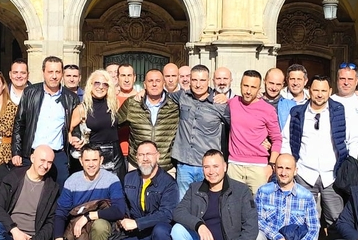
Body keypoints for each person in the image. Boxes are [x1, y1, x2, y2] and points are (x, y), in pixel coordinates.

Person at [104, 140, 177, 240]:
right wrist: (121, 219)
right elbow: (123, 205)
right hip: (139, 233)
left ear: (157, 156)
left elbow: (167, 214)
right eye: (141, 155)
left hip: (159, 230)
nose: (145, 158)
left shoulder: (168, 183)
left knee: (161, 230)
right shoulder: (129, 178)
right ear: (136, 158)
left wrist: (137, 223)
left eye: (149, 154)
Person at [246, 154, 321, 240]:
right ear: (274, 169)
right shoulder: (264, 191)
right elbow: (257, 220)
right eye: (280, 167)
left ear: (295, 171)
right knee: (255, 235)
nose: (283, 172)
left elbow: (314, 229)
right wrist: (279, 239)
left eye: (288, 168)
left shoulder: (306, 196)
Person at [51, 146, 124, 240]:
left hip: (100, 230)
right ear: (81, 161)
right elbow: (60, 214)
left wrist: (88, 216)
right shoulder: (72, 181)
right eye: (87, 160)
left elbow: (119, 210)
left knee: (100, 225)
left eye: (95, 160)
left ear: (101, 160)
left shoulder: (111, 180)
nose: (91, 164)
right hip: (78, 234)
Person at [286, 76, 348, 225]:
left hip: (332, 175)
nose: (320, 95)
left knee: (337, 220)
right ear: (309, 91)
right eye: (316, 90)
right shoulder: (297, 112)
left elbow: (350, 138)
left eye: (323, 91)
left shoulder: (339, 110)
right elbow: (287, 139)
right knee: (303, 220)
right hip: (304, 174)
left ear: (330, 91)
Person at [11, 57, 80, 185]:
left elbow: (75, 127)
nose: (54, 76)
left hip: (58, 155)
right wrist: (16, 152)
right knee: (28, 191)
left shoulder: (71, 98)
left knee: (59, 191)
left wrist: (76, 137)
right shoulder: (30, 93)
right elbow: (19, 124)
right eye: (50, 72)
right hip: (32, 154)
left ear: (62, 74)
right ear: (43, 72)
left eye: (57, 72)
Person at [171, 64, 230, 199]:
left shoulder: (220, 104)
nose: (198, 85)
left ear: (208, 81)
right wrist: (141, 92)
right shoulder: (182, 96)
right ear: (190, 80)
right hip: (184, 163)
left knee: (207, 201)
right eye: (194, 80)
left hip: (208, 165)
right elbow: (160, 95)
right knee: (184, 201)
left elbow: (237, 126)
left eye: (202, 80)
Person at [227, 70, 282, 194]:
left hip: (258, 168)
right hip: (234, 166)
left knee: (259, 204)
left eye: (253, 87)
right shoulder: (233, 102)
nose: (248, 91)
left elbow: (277, 139)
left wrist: (271, 166)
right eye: (246, 86)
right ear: (240, 85)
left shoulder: (268, 110)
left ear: (259, 89)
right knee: (233, 203)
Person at [117, 68, 179, 173]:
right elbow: (113, 125)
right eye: (150, 81)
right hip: (137, 166)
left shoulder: (175, 105)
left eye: (158, 81)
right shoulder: (132, 103)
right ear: (144, 85)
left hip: (165, 167)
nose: (154, 84)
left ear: (164, 83)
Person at [68, 69, 124, 180]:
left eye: (105, 84)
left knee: (116, 188)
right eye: (97, 83)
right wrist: (73, 139)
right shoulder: (82, 109)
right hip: (92, 156)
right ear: (90, 85)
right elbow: (68, 130)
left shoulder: (114, 104)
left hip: (114, 155)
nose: (101, 87)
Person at [277, 64, 310, 134]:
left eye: (299, 79)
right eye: (292, 79)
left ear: (305, 81)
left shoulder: (312, 98)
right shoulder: (279, 97)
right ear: (287, 80)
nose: (295, 83)